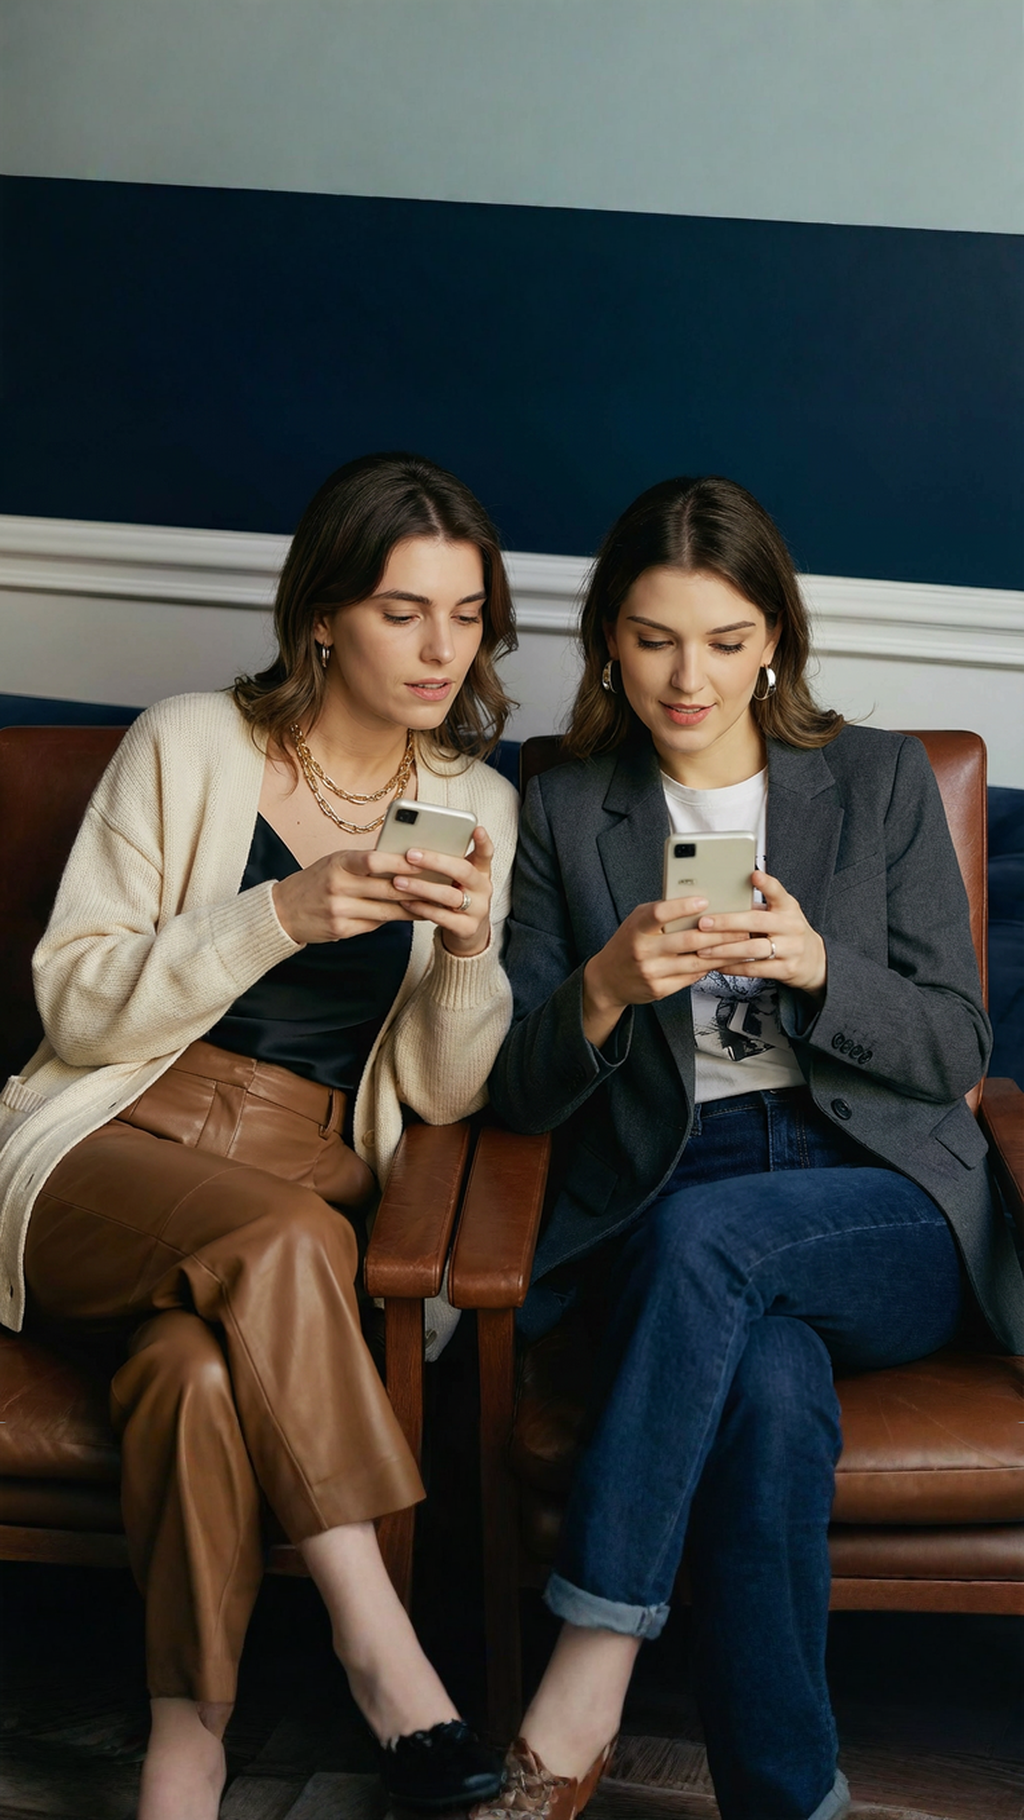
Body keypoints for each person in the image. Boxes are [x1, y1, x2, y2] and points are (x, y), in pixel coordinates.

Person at [473, 474, 1024, 1820]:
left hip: (876, 1200)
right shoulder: (564, 809)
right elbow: (514, 1092)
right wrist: (603, 985)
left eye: (725, 640)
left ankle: (586, 1670)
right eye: (655, 637)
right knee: (769, 1397)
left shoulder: (880, 781)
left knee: (712, 1245)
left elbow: (956, 1047)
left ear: (774, 637)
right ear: (609, 638)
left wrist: (824, 967)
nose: (689, 676)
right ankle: (794, 1801)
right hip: (675, 1190)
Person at [0, 451, 521, 1819]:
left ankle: (187, 1738)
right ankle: (385, 1650)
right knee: (280, 1237)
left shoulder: (482, 806)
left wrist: (469, 958)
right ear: (325, 614)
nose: (439, 648)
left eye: (465, 614)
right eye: (405, 609)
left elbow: (452, 1097)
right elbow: (73, 994)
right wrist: (283, 913)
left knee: (195, 1377)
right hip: (108, 1138)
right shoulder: (191, 743)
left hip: (305, 1163)